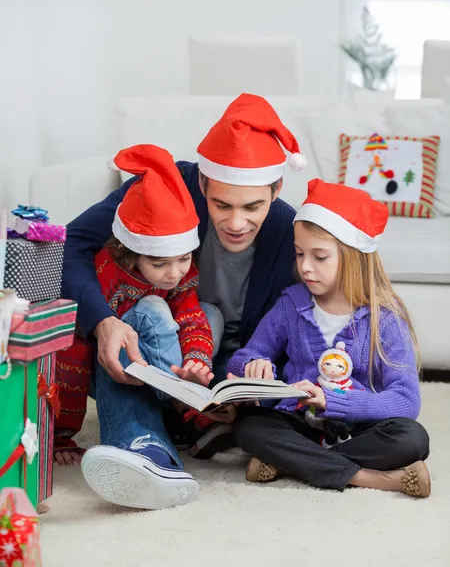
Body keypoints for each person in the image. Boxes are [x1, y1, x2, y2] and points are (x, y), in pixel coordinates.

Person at [59, 93, 307, 510]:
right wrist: (102, 321)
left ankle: (199, 423)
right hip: (146, 346)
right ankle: (143, 449)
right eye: (221, 203)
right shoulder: (162, 189)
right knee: (144, 317)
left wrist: (246, 392)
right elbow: (69, 245)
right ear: (203, 183)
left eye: (253, 206)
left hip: (214, 363)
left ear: (277, 188)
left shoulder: (288, 227)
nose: (236, 222)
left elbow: (298, 319)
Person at [228, 179, 431, 498]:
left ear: (353, 257)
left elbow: (406, 400)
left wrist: (333, 401)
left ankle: (287, 464)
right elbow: (246, 356)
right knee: (248, 427)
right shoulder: (291, 304)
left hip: (359, 430)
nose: (305, 267)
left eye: (319, 257)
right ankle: (374, 478)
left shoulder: (385, 316)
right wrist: (254, 366)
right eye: (298, 254)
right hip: (297, 422)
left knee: (412, 439)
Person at [57, 144, 228, 509]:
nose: (175, 272)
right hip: (108, 364)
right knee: (151, 307)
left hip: (163, 366)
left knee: (208, 314)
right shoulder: (107, 274)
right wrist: (62, 433)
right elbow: (71, 354)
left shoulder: (180, 273)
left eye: (184, 258)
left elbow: (191, 315)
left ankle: (181, 414)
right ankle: (159, 430)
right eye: (160, 263)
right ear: (130, 251)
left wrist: (198, 361)